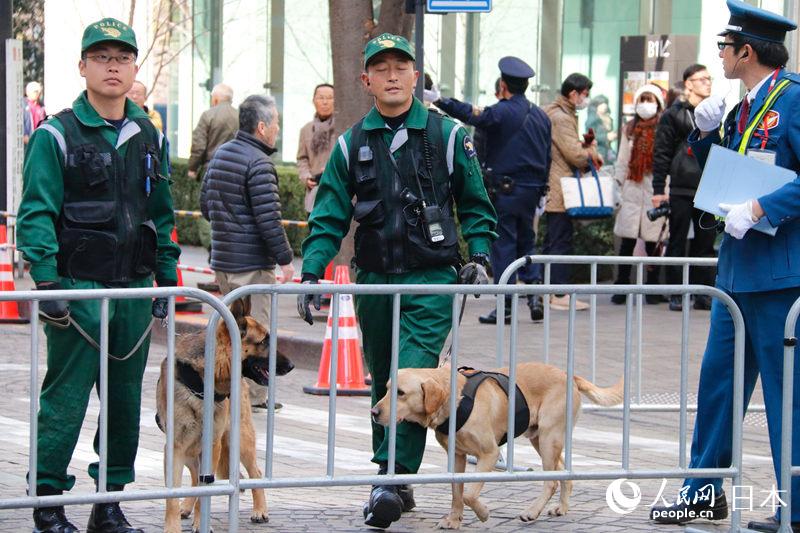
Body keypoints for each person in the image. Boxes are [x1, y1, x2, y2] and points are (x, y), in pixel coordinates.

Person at [296, 33, 496, 529]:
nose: (391, 75)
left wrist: (482, 255)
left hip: (432, 279)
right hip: (375, 280)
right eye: (380, 68)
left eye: (400, 67)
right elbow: (328, 217)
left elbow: (475, 205)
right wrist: (310, 271)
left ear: (415, 75)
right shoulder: (349, 144)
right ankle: (397, 479)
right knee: (385, 381)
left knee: (411, 374)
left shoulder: (449, 135)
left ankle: (388, 477)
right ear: (366, 80)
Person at [16, 18, 180, 533]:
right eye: (101, 56)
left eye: (122, 57)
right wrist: (47, 283)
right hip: (76, 289)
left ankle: (109, 502)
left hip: (132, 289)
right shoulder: (55, 134)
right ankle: (46, 503)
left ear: (133, 67)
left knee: (125, 404)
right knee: (63, 403)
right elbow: (36, 213)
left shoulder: (148, 132)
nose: (113, 65)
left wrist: (166, 279)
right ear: (82, 66)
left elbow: (162, 212)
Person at [650, 2, 800, 531]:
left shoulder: (795, 101)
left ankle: (797, 509)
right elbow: (715, 165)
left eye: (724, 47)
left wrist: (761, 208)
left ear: (747, 52)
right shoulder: (740, 107)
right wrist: (702, 129)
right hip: (736, 271)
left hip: (780, 277)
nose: (718, 56)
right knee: (717, 388)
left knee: (788, 397)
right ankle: (702, 495)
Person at [434, 56, 550, 324]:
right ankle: (534, 296)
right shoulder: (541, 116)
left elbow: (474, 115)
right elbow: (547, 154)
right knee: (527, 242)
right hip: (532, 191)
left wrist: (442, 101)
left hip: (507, 190)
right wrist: (543, 188)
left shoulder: (503, 111)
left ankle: (505, 306)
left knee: (504, 246)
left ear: (503, 84)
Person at [201, 94, 295, 410]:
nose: (278, 130)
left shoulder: (220, 154)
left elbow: (205, 205)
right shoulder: (259, 163)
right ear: (261, 126)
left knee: (231, 333)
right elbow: (268, 219)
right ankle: (255, 397)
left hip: (224, 262)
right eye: (276, 124)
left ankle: (226, 390)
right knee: (259, 334)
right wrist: (285, 258)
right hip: (253, 265)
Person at [652, 63, 717, 312]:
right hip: (680, 187)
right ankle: (676, 293)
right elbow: (662, 153)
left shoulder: (716, 113)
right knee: (677, 241)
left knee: (706, 243)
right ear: (688, 83)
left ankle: (703, 294)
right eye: (702, 79)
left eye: (709, 79)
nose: (707, 83)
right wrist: (659, 190)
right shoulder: (674, 114)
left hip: (709, 187)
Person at [542, 73, 602, 310]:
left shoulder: (556, 112)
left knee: (553, 240)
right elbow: (575, 156)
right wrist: (593, 150)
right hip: (561, 188)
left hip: (556, 186)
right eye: (585, 94)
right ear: (573, 93)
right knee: (560, 241)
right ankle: (558, 292)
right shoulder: (562, 118)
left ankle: (548, 290)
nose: (586, 100)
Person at [611, 84, 667, 304]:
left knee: (654, 241)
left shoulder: (664, 127)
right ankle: (621, 286)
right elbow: (623, 159)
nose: (646, 104)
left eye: (650, 99)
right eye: (642, 99)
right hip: (632, 189)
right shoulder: (629, 129)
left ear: (659, 104)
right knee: (627, 241)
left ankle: (652, 288)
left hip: (656, 188)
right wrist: (617, 184)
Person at [187, 83, 238, 180]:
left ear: (215, 99)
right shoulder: (239, 116)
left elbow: (199, 147)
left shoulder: (208, 115)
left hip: (212, 169)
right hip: (236, 171)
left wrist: (192, 168)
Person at [297, 83, 335, 213]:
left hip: (337, 191)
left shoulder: (343, 127)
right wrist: (306, 176)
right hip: (315, 192)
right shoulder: (306, 130)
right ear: (313, 101)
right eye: (321, 98)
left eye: (330, 98)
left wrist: (333, 167)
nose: (325, 102)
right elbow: (302, 158)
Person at [586, 94, 617, 164]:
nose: (604, 105)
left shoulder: (608, 117)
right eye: (602, 103)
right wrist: (606, 137)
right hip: (597, 152)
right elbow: (589, 138)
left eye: (605, 103)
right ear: (596, 106)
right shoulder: (592, 119)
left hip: (608, 152)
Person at [22, 80, 46, 145]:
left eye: (38, 91)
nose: (37, 93)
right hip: (27, 139)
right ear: (28, 92)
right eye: (35, 91)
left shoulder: (41, 106)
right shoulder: (22, 104)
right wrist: (23, 135)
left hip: (39, 139)